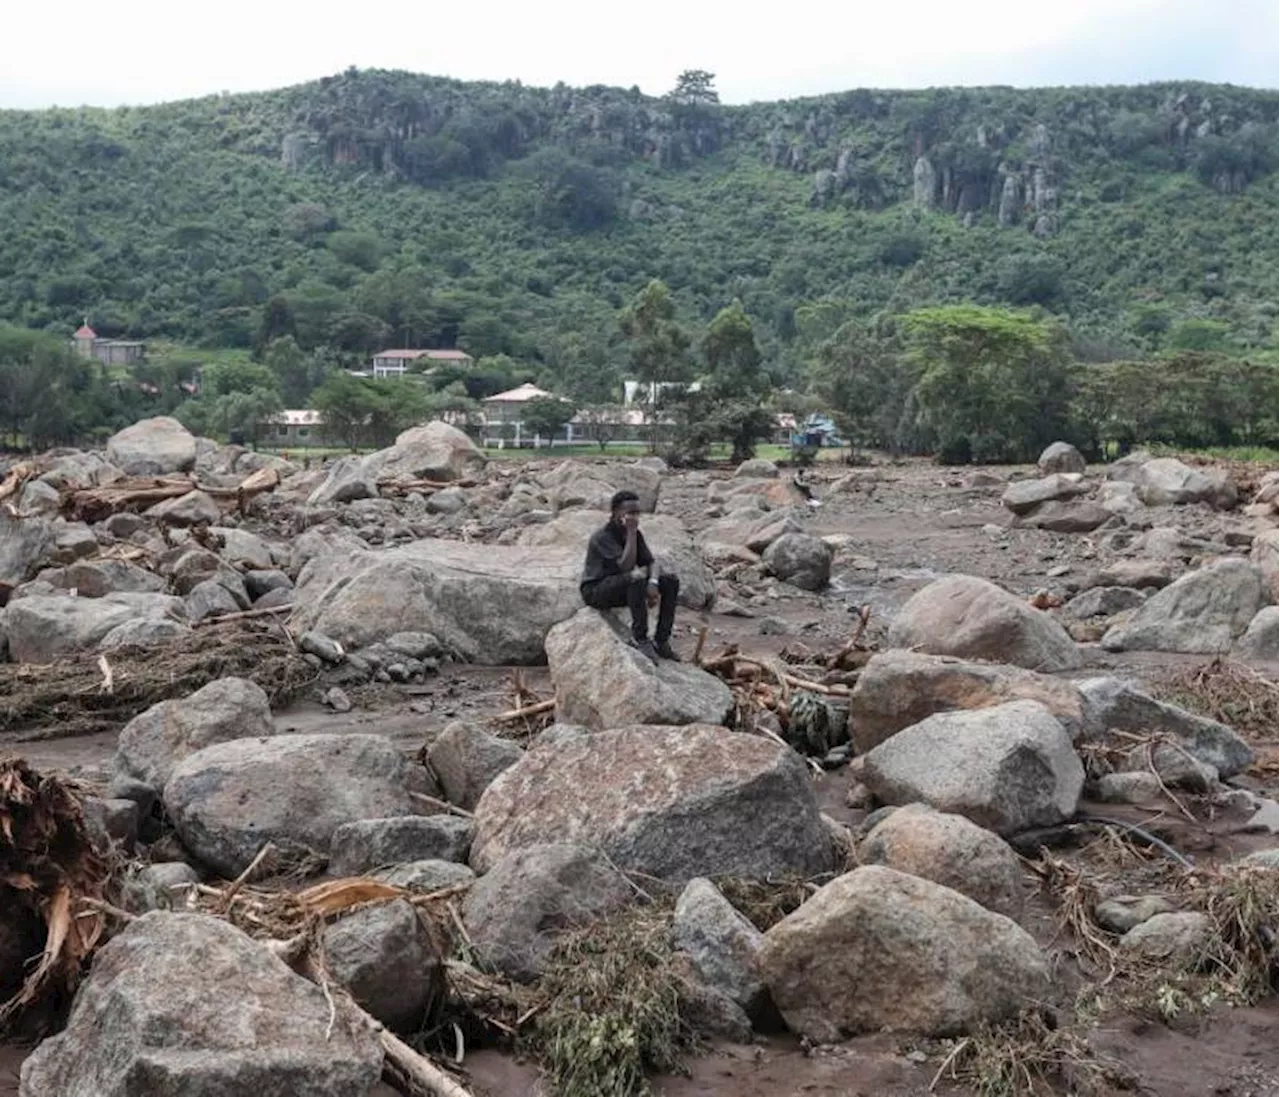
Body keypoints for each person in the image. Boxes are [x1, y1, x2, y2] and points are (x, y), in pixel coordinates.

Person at [580, 490, 681, 663]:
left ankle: (661, 640)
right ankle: (640, 638)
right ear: (616, 512)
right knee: (635, 578)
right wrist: (632, 533)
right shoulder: (602, 537)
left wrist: (654, 583)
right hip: (597, 590)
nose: (634, 517)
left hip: (622, 586)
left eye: (637, 512)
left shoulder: (636, 534)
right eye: (630, 513)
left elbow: (651, 562)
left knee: (670, 581)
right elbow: (625, 566)